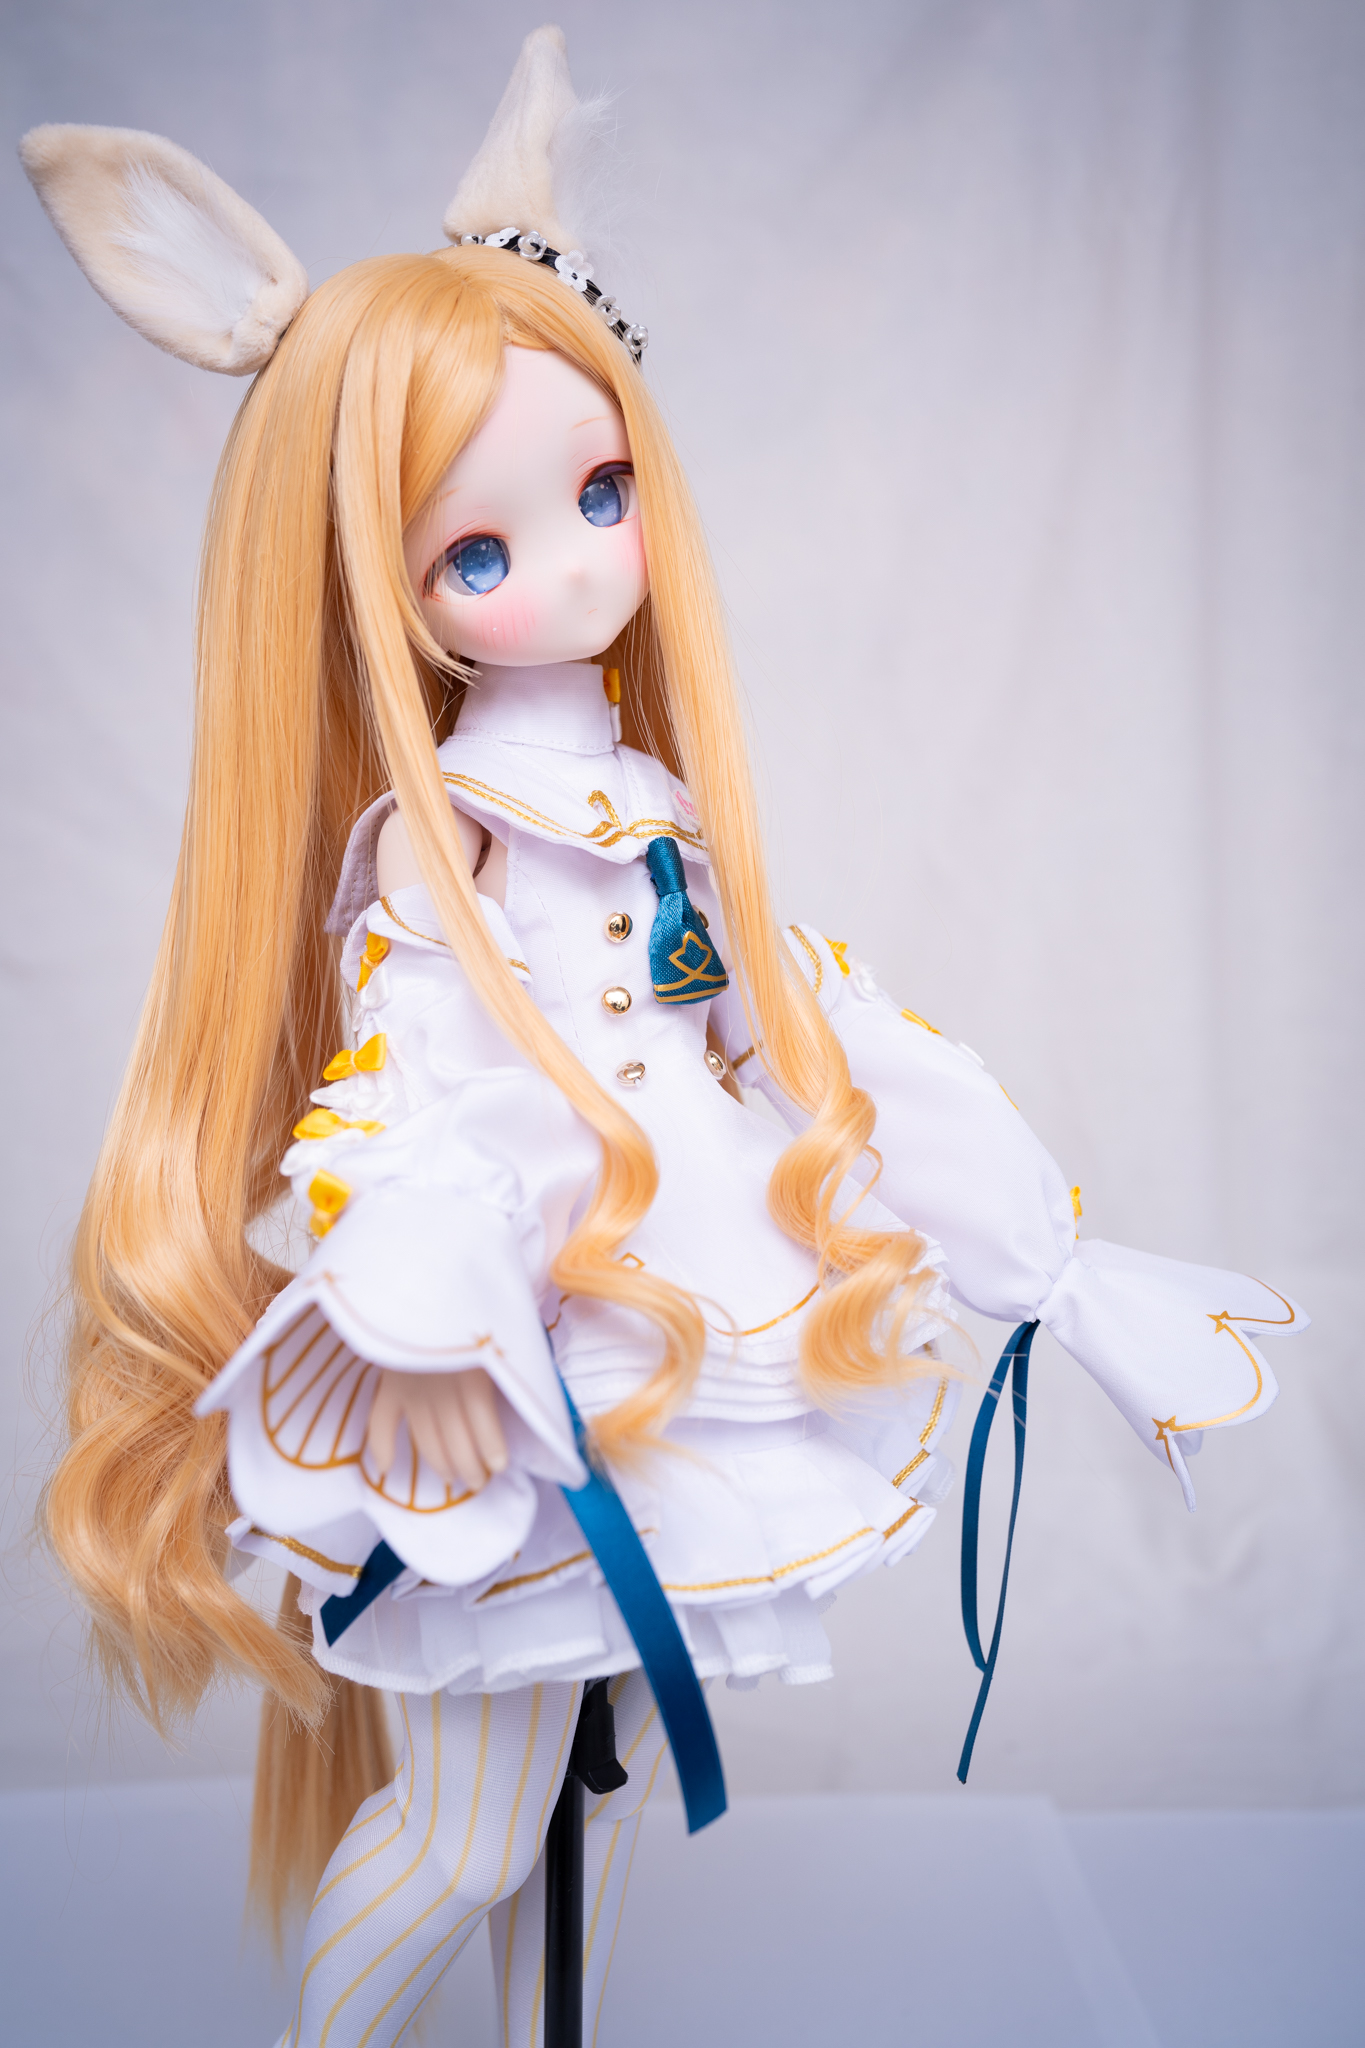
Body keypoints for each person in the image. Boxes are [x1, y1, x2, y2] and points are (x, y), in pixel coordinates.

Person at [20, 27, 1305, 2047]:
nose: (569, 560)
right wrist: (423, 1335)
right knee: (466, 1834)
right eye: (476, 548)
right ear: (383, 583)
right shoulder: (439, 846)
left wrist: (1042, 1258)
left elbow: (805, 1031)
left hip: (694, 1342)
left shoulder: (650, 805)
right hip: (525, 1384)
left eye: (599, 490)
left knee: (596, 1804)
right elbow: (406, 1102)